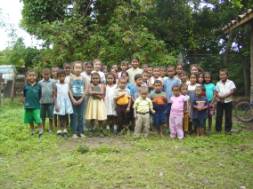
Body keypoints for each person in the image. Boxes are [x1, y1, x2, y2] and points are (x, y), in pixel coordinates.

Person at [23, 70, 43, 137]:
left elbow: (40, 95)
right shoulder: (25, 86)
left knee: (38, 118)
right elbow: (25, 95)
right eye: (30, 75)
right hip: (28, 106)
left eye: (33, 75)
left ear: (36, 77)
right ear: (27, 77)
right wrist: (25, 103)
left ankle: (40, 129)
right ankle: (32, 130)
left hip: (36, 106)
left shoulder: (38, 86)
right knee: (30, 119)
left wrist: (38, 101)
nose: (32, 77)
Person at [215, 69, 236, 134]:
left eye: (223, 74)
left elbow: (232, 91)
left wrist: (224, 97)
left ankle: (228, 130)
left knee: (228, 116)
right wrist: (219, 97)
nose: (222, 76)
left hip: (228, 101)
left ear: (227, 75)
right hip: (220, 102)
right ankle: (218, 130)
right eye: (221, 75)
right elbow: (216, 92)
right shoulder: (218, 83)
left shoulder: (231, 82)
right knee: (219, 116)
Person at [69, 61, 86, 138]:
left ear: (82, 69)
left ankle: (81, 132)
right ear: (73, 69)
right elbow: (69, 89)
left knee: (81, 115)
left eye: (79, 67)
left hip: (81, 98)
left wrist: (82, 98)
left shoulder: (84, 78)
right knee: (74, 115)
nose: (78, 69)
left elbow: (86, 89)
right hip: (73, 98)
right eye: (76, 67)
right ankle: (74, 132)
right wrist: (72, 99)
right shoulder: (70, 78)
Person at [54, 69, 73, 136]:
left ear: (65, 76)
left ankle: (65, 128)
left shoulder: (67, 85)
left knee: (65, 116)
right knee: (59, 116)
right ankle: (59, 129)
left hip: (66, 102)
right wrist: (56, 104)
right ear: (57, 77)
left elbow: (69, 94)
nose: (61, 78)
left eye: (63, 76)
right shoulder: (56, 85)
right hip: (59, 103)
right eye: (60, 76)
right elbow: (54, 95)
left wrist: (71, 102)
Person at [39, 68, 55, 132]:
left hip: (50, 102)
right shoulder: (40, 82)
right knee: (42, 116)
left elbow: (54, 91)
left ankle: (50, 128)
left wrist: (54, 98)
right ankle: (43, 127)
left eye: (47, 74)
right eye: (45, 74)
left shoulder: (53, 81)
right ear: (42, 74)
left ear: (50, 74)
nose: (46, 76)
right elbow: (39, 92)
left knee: (51, 116)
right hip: (42, 102)